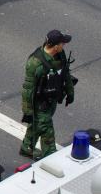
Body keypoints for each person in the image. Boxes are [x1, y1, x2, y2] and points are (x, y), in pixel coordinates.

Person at [20, 30, 76, 160]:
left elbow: (65, 74)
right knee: (46, 127)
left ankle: (27, 147)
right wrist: (28, 111)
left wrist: (70, 92)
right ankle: (50, 155)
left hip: (53, 98)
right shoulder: (35, 63)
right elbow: (28, 89)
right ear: (55, 46)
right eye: (62, 43)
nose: (64, 46)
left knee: (39, 124)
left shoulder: (60, 54)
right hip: (40, 102)